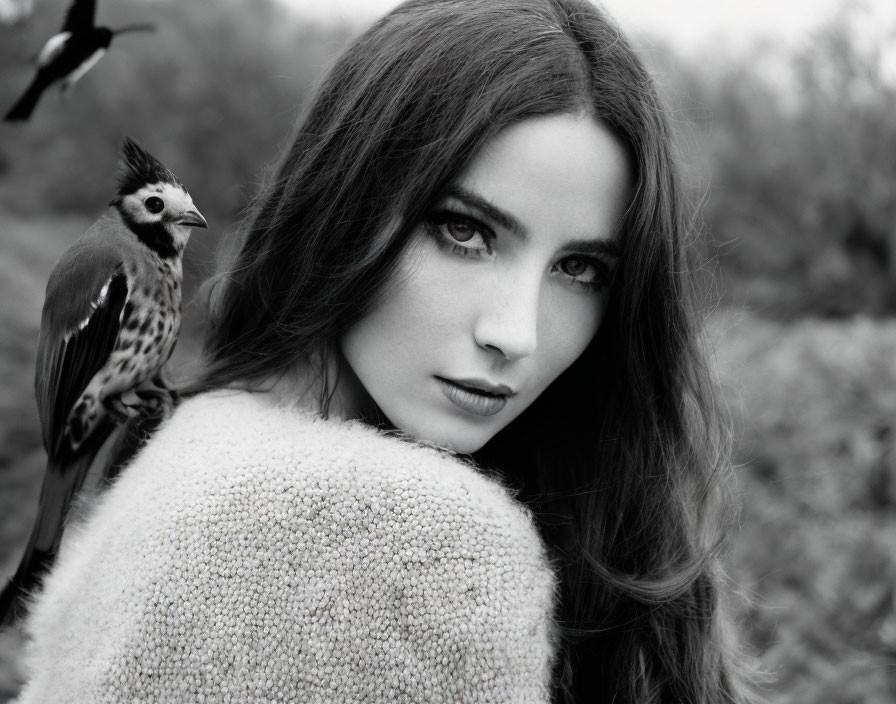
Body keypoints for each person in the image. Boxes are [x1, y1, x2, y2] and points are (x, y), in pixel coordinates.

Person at [14, 0, 759, 701]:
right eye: (465, 232)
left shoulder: (184, 446)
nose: (516, 334)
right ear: (345, 206)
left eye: (579, 269)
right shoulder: (413, 539)